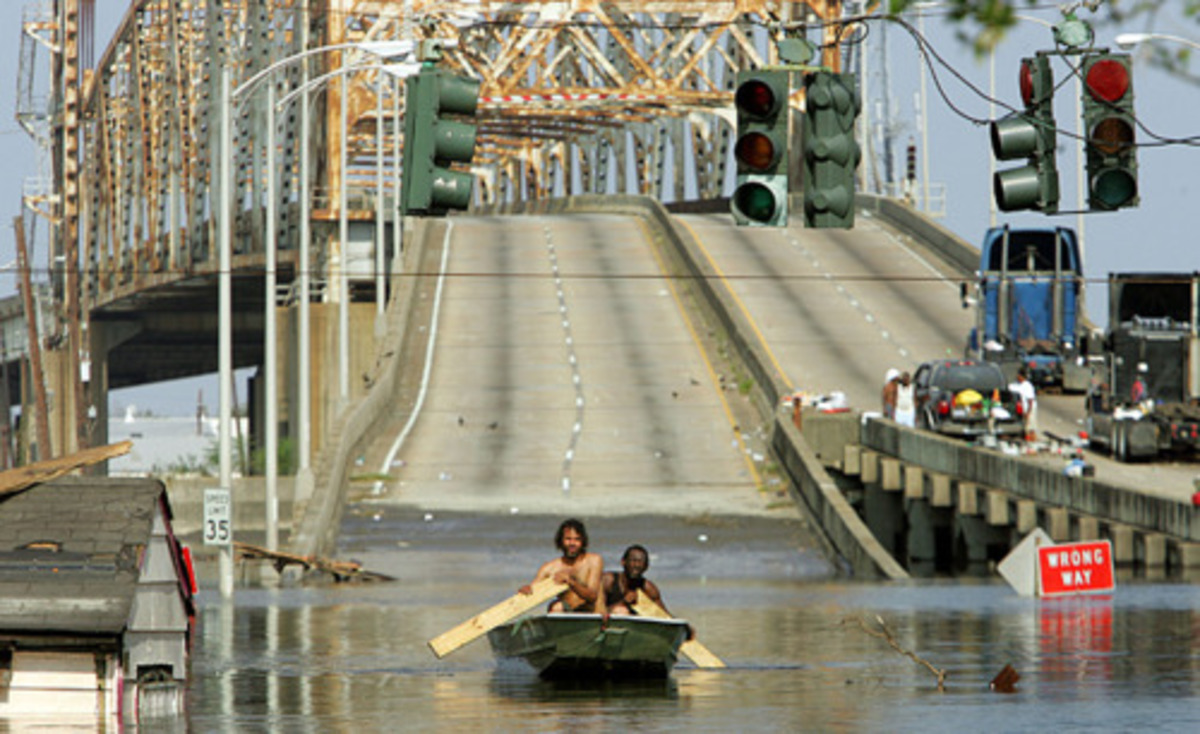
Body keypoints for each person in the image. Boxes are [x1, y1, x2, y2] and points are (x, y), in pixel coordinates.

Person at [602, 544, 693, 638]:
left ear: (646, 566)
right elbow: (595, 611)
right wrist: (623, 602)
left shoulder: (648, 588)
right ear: (623, 562)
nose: (637, 565)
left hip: (632, 633)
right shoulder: (609, 580)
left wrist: (683, 627)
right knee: (620, 611)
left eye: (641, 562)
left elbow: (663, 615)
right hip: (606, 628)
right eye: (633, 561)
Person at [519, 518, 604, 613]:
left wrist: (571, 583)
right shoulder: (550, 568)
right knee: (556, 606)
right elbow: (533, 591)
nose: (572, 543)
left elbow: (592, 596)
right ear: (561, 540)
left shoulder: (593, 561)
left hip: (591, 614)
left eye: (577, 539)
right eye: (568, 539)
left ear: (583, 541)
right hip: (567, 614)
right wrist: (526, 590)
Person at [1010, 366, 1038, 442]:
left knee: (1030, 426)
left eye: (1019, 375)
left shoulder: (1027, 386)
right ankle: (1025, 438)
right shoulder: (1015, 384)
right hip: (1021, 409)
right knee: (1024, 426)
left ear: (1022, 376)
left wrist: (1028, 412)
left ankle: (1031, 440)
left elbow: (1030, 401)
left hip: (1029, 409)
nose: (1017, 377)